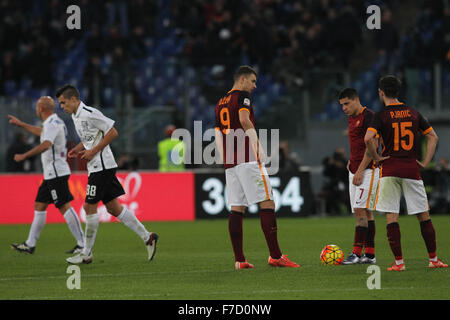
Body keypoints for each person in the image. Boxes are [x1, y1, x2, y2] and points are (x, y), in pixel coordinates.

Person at [55, 84, 158, 264]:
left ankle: (86, 253)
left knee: (89, 207)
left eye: (63, 102)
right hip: (98, 166)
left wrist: (93, 151)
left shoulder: (89, 112)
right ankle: (147, 237)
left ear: (73, 99)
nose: (62, 106)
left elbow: (112, 132)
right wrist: (78, 148)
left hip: (102, 166)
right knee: (113, 208)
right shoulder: (76, 116)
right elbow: (90, 138)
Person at [214, 65, 299, 270]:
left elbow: (217, 133)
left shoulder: (220, 102)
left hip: (230, 162)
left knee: (236, 208)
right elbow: (244, 120)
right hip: (247, 158)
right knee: (267, 202)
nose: (254, 86)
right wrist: (258, 146)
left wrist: (223, 156)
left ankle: (240, 260)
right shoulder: (242, 97)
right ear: (242, 79)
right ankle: (276, 256)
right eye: (252, 81)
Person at [364, 75, 447, 271]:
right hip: (411, 168)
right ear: (398, 92)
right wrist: (426, 161)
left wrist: (376, 157)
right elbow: (433, 137)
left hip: (389, 169)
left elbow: (368, 138)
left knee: (392, 216)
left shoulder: (381, 115)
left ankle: (399, 263)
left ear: (381, 92)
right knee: (423, 216)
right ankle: (434, 260)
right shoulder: (413, 113)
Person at [8, 96, 85, 254]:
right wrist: (21, 124)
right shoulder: (55, 122)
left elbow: (46, 144)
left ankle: (83, 244)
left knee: (64, 206)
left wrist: (24, 155)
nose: (36, 109)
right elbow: (43, 133)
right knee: (40, 205)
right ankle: (30, 244)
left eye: (37, 107)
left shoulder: (51, 123)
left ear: (41, 109)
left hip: (56, 173)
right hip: (52, 173)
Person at [338, 88, 378, 265]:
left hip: (367, 170)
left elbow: (373, 147)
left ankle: (355, 253)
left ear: (356, 99)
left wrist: (361, 169)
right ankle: (369, 255)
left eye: (347, 103)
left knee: (360, 211)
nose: (344, 108)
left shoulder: (369, 116)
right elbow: (357, 145)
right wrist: (351, 161)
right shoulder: (351, 119)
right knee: (364, 212)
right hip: (354, 169)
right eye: (341, 105)